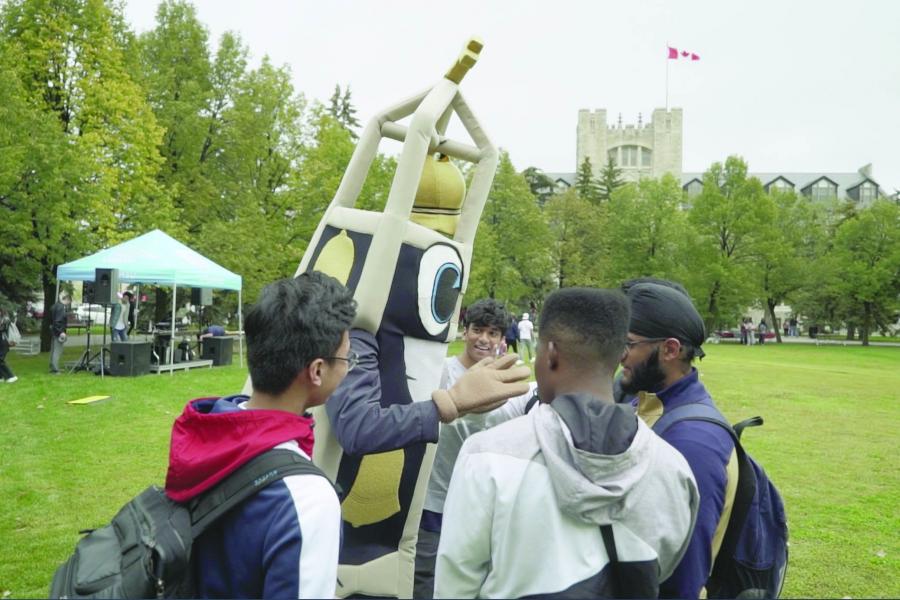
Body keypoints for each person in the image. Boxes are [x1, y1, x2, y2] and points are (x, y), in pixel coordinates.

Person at [435, 288, 699, 598]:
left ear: (551, 354)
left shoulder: (487, 456)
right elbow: (664, 568)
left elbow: (456, 584)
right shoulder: (674, 468)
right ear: (621, 355)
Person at [163, 272, 355, 598]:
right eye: (347, 358)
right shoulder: (307, 498)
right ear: (317, 371)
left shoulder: (206, 433)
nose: (349, 367)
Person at [414, 299, 538, 599]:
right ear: (465, 331)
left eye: (493, 333)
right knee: (425, 579)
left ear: (501, 338)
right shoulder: (442, 372)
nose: (484, 339)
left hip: (489, 506)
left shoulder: (515, 375)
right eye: (477, 330)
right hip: (436, 500)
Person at [620, 282, 736, 599]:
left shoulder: (693, 442)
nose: (619, 354)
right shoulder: (643, 402)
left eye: (627, 343)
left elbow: (685, 577)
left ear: (670, 350)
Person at [49, 292, 70, 374]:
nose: (69, 303)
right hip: (58, 332)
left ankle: (52, 367)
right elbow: (58, 321)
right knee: (57, 351)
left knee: (53, 350)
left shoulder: (55, 306)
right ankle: (55, 369)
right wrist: (61, 332)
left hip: (54, 331)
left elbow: (52, 320)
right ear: (66, 299)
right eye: (69, 301)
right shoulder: (61, 307)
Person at [0, 308, 18, 383]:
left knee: (0, 360)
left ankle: (11, 376)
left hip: (4, 343)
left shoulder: (5, 320)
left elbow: (3, 329)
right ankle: (1, 377)